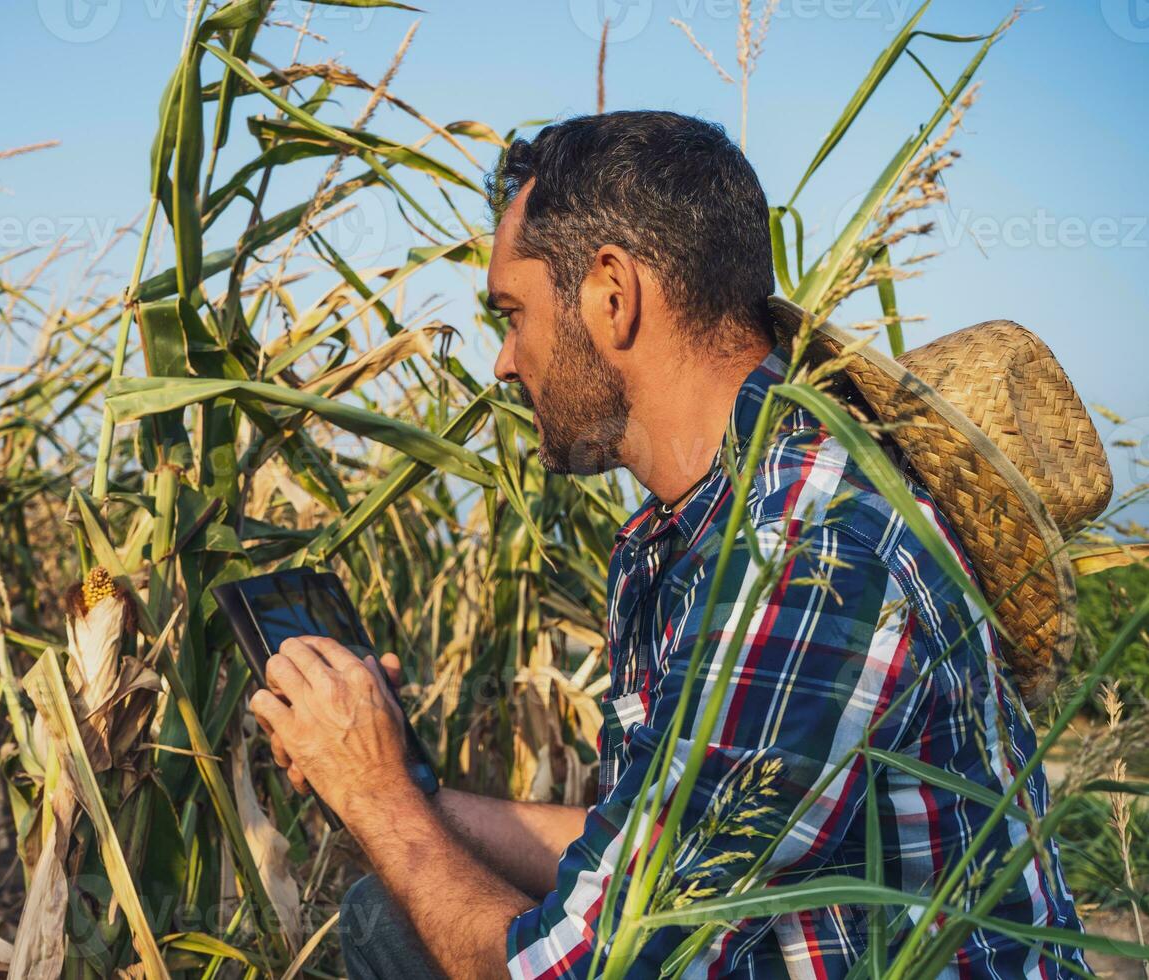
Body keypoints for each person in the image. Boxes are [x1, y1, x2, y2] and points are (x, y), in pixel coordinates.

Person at [248, 111, 1091, 978]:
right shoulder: (683, 537)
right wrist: (397, 776)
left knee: (396, 921)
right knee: (388, 916)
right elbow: (645, 851)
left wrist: (375, 794)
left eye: (514, 312)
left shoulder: (798, 554)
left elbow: (579, 972)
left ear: (612, 295)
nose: (504, 361)